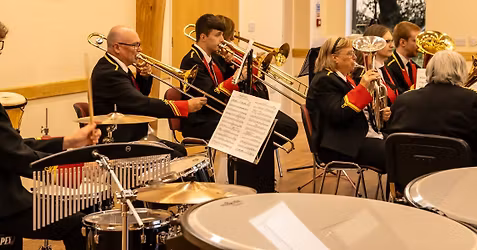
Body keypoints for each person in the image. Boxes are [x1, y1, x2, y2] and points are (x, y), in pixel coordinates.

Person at [0, 21, 102, 250]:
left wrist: (68, 142)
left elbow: (12, 145)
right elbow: (14, 155)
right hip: (5, 205)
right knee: (78, 224)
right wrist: (66, 172)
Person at [180, 14, 297, 192]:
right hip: (201, 119)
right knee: (254, 128)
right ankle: (251, 185)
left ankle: (260, 183)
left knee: (264, 124)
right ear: (203, 37)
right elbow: (210, 96)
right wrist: (236, 77)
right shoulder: (191, 60)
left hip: (220, 112)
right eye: (218, 35)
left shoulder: (214, 58)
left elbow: (234, 81)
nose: (223, 40)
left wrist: (237, 65)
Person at [91, 25, 207, 156]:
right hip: (120, 140)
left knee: (179, 150)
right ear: (117, 47)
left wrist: (143, 77)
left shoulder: (117, 66)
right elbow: (140, 104)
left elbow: (134, 97)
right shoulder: (109, 72)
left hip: (133, 133)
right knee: (176, 154)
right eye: (135, 45)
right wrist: (185, 106)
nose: (140, 50)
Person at [386, 50, 477, 166]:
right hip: (458, 176)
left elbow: (391, 134)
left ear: (429, 71)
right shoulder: (471, 100)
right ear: (460, 72)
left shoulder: (403, 100)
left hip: (411, 175)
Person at [306, 36, 390, 171]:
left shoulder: (343, 79)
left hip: (353, 136)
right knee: (392, 152)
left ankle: (397, 190)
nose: (355, 58)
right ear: (335, 58)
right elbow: (339, 114)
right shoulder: (324, 80)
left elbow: (358, 112)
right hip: (339, 145)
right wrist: (362, 87)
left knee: (400, 143)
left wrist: (379, 115)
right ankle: (398, 190)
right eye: (350, 54)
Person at [353, 24, 398, 105]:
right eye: (387, 42)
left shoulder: (387, 69)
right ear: (373, 43)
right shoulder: (362, 73)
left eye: (392, 41)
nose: (392, 46)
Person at [385, 21, 421, 93]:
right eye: (415, 41)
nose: (419, 45)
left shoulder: (415, 67)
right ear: (403, 42)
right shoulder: (389, 66)